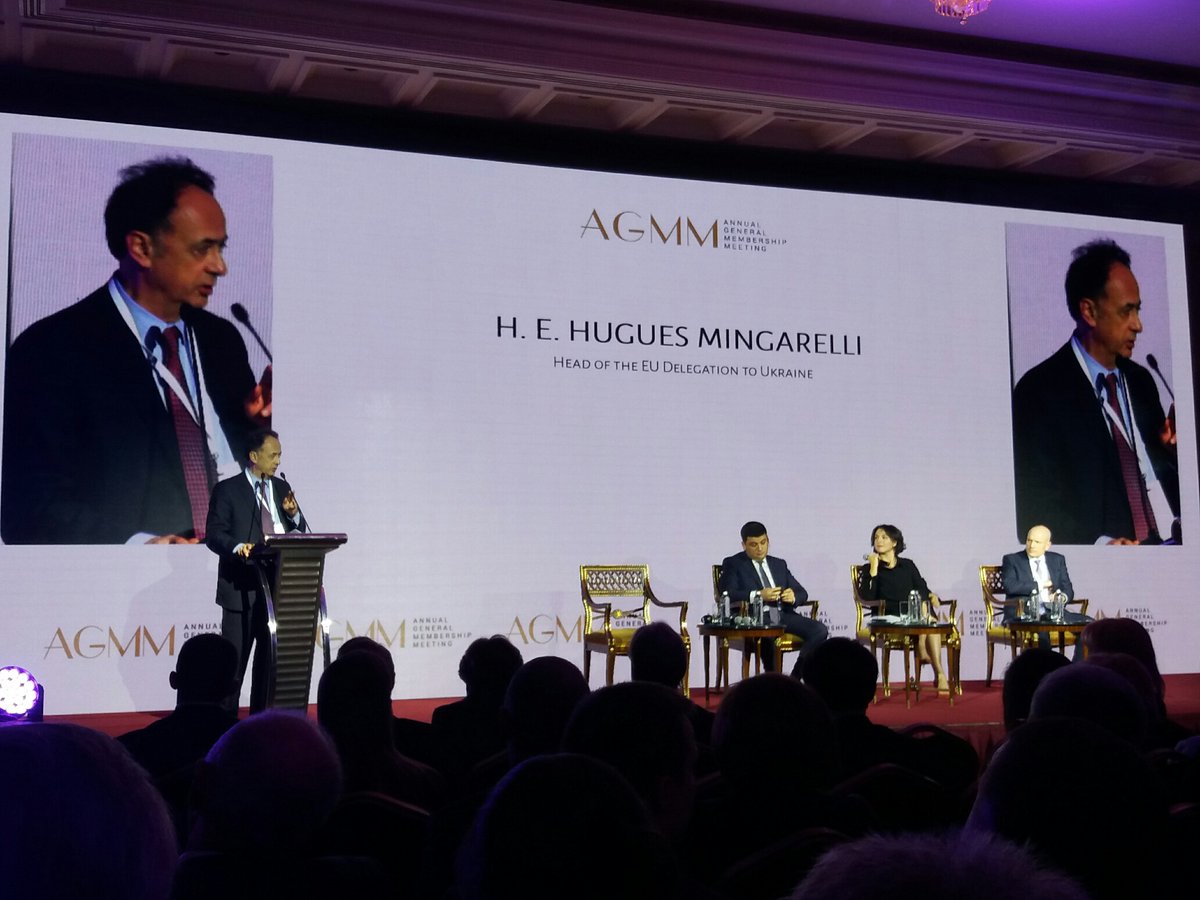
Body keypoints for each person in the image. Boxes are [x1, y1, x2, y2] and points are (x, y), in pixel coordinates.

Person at [1, 156, 269, 544]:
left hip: (233, 566)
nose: (220, 267)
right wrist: (137, 549)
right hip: (121, 577)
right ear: (142, 247)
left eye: (221, 248)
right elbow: (29, 510)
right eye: (203, 249)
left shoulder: (222, 340)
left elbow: (238, 468)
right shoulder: (51, 350)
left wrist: (259, 426)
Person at [1012, 238, 1179, 545]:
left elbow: (1157, 478)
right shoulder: (1039, 393)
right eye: (1127, 311)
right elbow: (1036, 507)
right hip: (1104, 564)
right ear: (1089, 311)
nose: (1138, 325)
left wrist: (1173, 453)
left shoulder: (1141, 381)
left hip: (1172, 549)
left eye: (1138, 310)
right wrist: (1102, 547)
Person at [205, 428, 306, 712]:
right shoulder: (228, 490)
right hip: (241, 591)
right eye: (272, 455)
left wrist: (293, 515)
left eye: (280, 455)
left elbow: (300, 531)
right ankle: (224, 727)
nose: (278, 461)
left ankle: (261, 724)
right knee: (233, 668)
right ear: (253, 456)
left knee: (268, 669)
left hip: (277, 590)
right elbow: (214, 534)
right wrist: (238, 547)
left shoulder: (282, 488)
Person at [718, 520, 827, 674]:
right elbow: (727, 592)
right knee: (767, 632)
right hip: (755, 618)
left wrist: (793, 596)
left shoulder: (778, 564)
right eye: (753, 545)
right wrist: (759, 595)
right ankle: (774, 678)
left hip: (782, 615)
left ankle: (795, 677)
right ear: (744, 545)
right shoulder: (734, 563)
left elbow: (802, 592)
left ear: (768, 540)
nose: (760, 548)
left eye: (763, 542)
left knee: (819, 630)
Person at [860, 524, 948, 694]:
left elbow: (920, 586)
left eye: (884, 537)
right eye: (876, 537)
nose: (879, 541)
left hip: (913, 613)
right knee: (928, 619)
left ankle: (940, 673)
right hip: (888, 616)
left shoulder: (907, 565)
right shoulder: (869, 568)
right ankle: (929, 659)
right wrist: (873, 569)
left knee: (928, 615)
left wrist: (930, 595)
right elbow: (868, 597)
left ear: (894, 542)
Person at [1001, 524, 1075, 649]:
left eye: (1037, 542)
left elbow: (1068, 589)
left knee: (1090, 627)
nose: (1032, 545)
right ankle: (1045, 662)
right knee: (1042, 631)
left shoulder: (1057, 560)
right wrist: (1040, 585)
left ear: (1047, 545)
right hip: (1025, 612)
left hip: (1053, 612)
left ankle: (1077, 662)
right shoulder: (1012, 560)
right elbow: (1010, 586)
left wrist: (1060, 598)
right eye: (1029, 540)